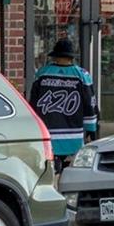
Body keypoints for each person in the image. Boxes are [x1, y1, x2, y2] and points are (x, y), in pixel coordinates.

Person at [28, 37, 97, 170]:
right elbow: (90, 104)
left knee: (51, 169)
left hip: (48, 133)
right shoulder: (82, 75)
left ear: (55, 56)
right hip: (73, 134)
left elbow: (33, 103)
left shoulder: (42, 73)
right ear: (71, 57)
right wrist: (91, 130)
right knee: (72, 169)